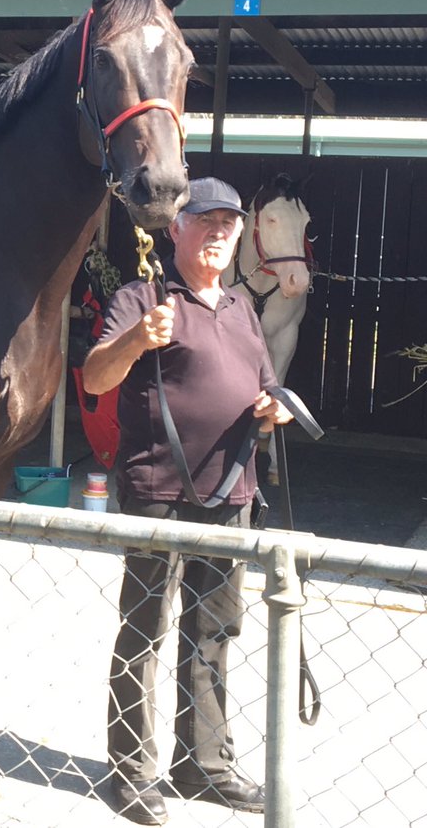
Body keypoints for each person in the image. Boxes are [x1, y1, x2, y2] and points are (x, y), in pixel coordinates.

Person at [82, 177, 293, 825]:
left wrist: (270, 410)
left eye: (229, 225)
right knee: (143, 632)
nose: (220, 234)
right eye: (207, 222)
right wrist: (138, 339)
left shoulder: (241, 308)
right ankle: (131, 768)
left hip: (232, 492)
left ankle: (203, 764)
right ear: (178, 229)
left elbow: (261, 389)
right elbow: (94, 375)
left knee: (214, 632)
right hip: (159, 493)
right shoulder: (141, 297)